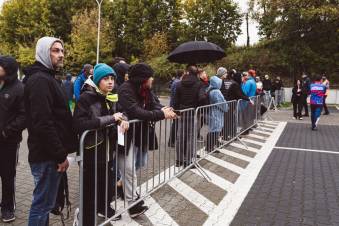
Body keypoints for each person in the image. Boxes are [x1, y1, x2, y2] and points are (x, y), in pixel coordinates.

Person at [24, 37, 78, 226]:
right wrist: (60, 154)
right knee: (41, 206)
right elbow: (43, 123)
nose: (61, 54)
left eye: (62, 50)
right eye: (55, 50)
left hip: (48, 154)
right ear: (43, 52)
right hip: (46, 156)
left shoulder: (48, 77)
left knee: (44, 205)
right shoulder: (40, 80)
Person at [73, 63, 129, 225]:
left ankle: (103, 209)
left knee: (105, 187)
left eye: (112, 78)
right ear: (97, 81)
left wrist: (123, 119)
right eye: (106, 79)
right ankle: (83, 219)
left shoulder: (111, 96)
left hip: (107, 151)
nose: (110, 82)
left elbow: (121, 112)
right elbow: (79, 124)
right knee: (89, 192)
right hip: (91, 152)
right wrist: (111, 119)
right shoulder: (86, 98)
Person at [118, 63, 176, 217]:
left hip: (138, 135)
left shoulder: (146, 90)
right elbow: (136, 112)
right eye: (150, 76)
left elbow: (155, 105)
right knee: (128, 169)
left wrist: (163, 110)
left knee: (135, 166)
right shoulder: (125, 89)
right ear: (143, 78)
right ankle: (132, 204)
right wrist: (161, 114)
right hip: (123, 136)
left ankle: (121, 188)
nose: (153, 79)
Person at [0, 56, 25, 223]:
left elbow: (24, 116)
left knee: (7, 175)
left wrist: (6, 132)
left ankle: (8, 207)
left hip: (8, 141)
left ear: (7, 68)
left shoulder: (19, 88)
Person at [174, 65, 206, 166]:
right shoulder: (199, 84)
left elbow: (175, 100)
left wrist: (176, 111)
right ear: (196, 73)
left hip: (182, 113)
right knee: (191, 138)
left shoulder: (179, 84)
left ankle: (179, 160)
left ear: (187, 72)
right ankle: (188, 161)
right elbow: (202, 98)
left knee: (180, 137)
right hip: (193, 113)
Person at [220, 70, 250, 140]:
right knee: (229, 120)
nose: (242, 78)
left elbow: (240, 93)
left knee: (230, 120)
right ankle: (226, 135)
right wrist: (248, 99)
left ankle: (230, 135)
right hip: (230, 104)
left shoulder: (232, 83)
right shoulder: (234, 84)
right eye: (241, 76)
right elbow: (240, 94)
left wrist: (247, 98)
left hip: (228, 103)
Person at [206, 76, 228, 152]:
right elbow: (221, 102)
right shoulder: (216, 91)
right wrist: (226, 108)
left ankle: (210, 147)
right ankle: (211, 147)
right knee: (215, 129)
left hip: (212, 111)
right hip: (216, 112)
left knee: (212, 128)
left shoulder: (209, 89)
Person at [168, 69, 185, 147]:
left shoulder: (176, 81)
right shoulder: (178, 82)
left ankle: (172, 141)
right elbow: (175, 95)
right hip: (176, 106)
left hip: (174, 104)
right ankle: (171, 141)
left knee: (176, 123)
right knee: (176, 124)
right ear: (182, 74)